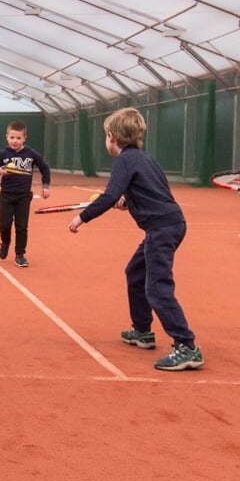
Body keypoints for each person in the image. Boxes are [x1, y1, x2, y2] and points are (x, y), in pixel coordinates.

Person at [69, 107, 201, 372]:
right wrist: (128, 201)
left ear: (111, 137)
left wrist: (81, 218)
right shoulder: (145, 159)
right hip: (170, 224)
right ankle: (142, 331)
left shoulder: (124, 161)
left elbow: (108, 196)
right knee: (135, 272)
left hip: (161, 228)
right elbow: (153, 191)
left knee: (157, 288)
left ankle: (187, 346)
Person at [0, 121, 51, 267]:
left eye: (18, 138)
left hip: (23, 196)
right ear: (7, 137)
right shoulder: (3, 154)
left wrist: (45, 186)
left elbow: (44, 169)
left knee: (22, 226)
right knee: (4, 225)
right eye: (12, 137)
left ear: (24, 138)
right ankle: (5, 242)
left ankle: (20, 254)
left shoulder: (31, 154)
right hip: (6, 196)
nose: (15, 141)